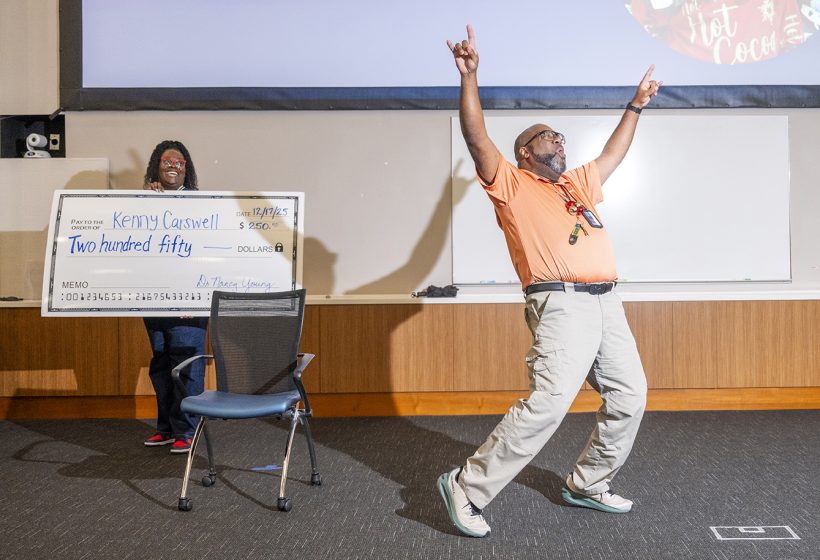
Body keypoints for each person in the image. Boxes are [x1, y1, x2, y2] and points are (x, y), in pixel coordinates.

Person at [438, 25, 662, 537]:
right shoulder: (511, 184)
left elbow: (613, 155)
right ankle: (466, 488)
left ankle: (587, 483)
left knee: (630, 397)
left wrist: (636, 106)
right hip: (561, 304)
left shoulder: (575, 184)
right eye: (546, 135)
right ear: (524, 152)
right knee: (548, 403)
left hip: (607, 302)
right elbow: (476, 136)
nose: (558, 139)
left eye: (559, 135)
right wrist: (470, 77)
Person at [141, 140, 208, 454]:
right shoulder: (142, 204)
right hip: (154, 300)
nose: (172, 166)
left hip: (190, 303)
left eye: (178, 162)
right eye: (166, 161)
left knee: (187, 365)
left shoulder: (203, 205)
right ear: (157, 166)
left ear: (186, 168)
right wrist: (145, 201)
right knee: (161, 364)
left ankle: (188, 431)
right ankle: (166, 428)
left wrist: (193, 298)